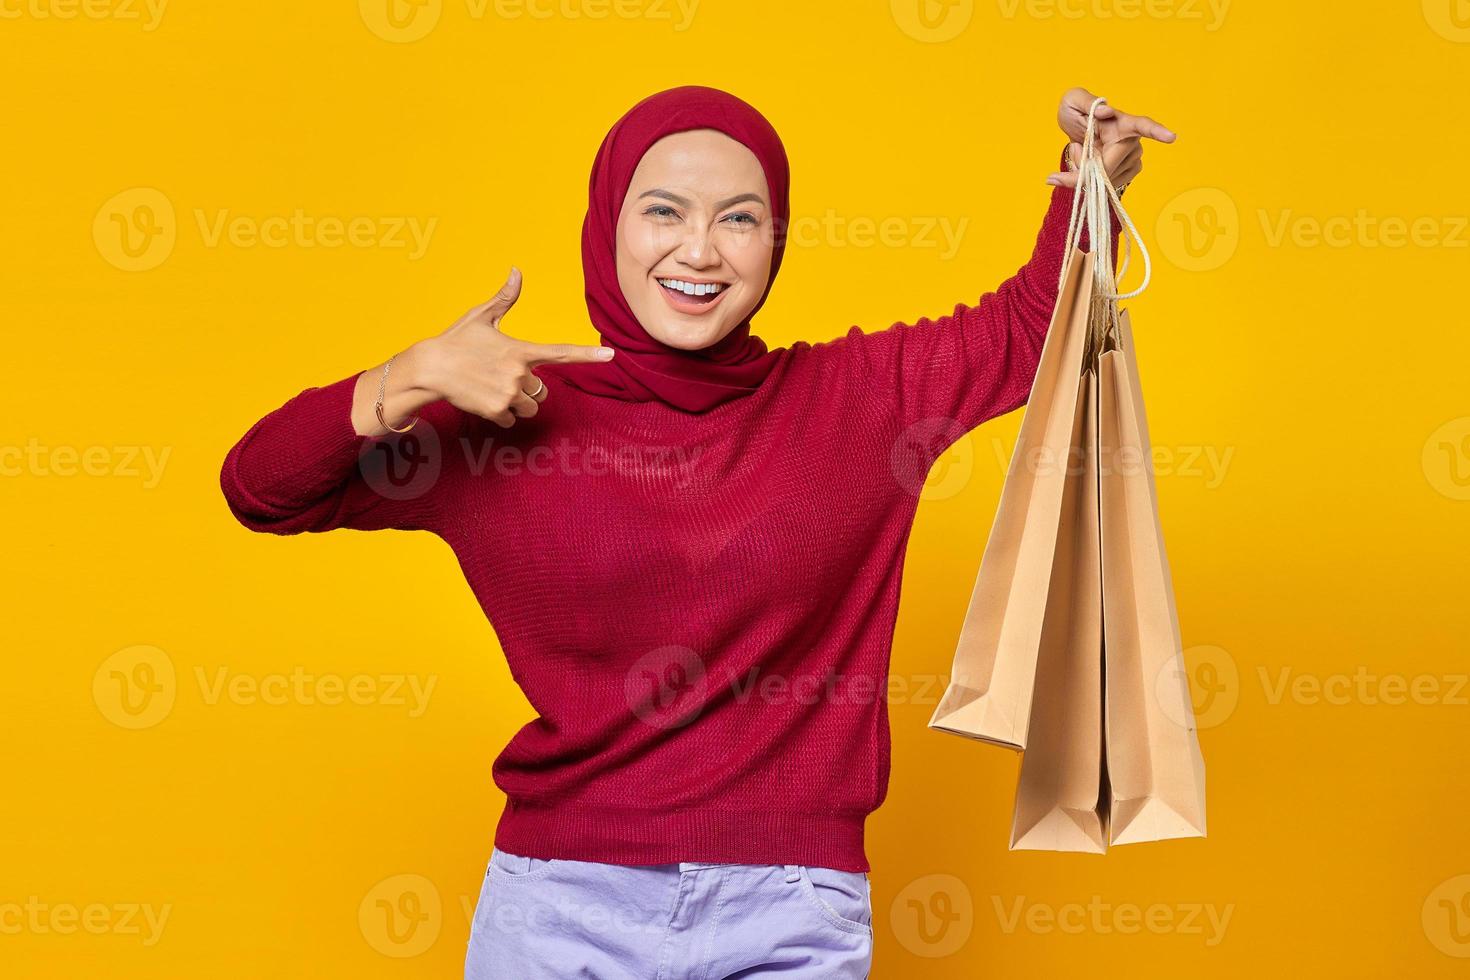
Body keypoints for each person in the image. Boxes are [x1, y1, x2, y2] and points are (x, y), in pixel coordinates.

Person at [220, 84, 1172, 979]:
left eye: (740, 218)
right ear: (608, 225)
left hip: (793, 909)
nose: (701, 252)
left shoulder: (856, 404)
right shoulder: (502, 414)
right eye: (664, 211)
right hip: (560, 909)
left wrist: (1090, 179)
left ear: (776, 241)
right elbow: (260, 488)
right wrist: (413, 375)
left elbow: (1024, 328)